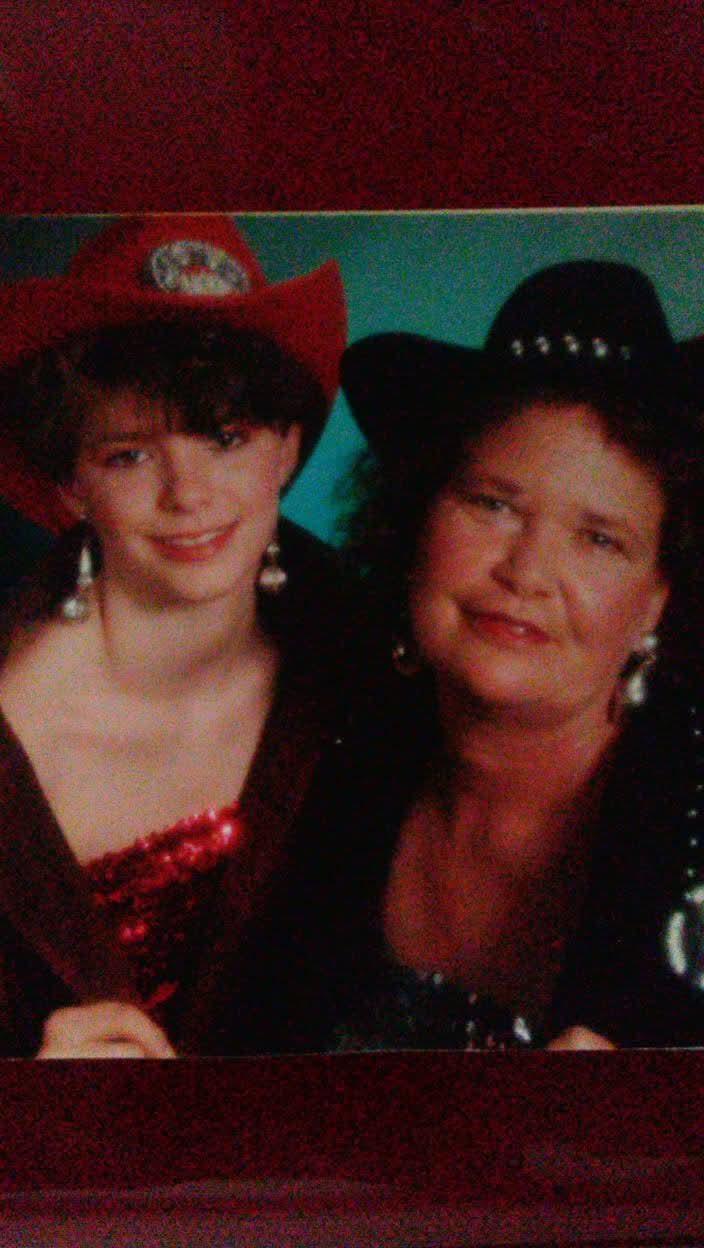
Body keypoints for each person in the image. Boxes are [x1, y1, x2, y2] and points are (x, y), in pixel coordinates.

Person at [323, 259, 704, 1051]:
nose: (526, 573)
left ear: (660, 597)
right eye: (492, 504)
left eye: (600, 539)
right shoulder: (325, 755)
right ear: (416, 523)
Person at [0, 213, 352, 1057]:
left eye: (226, 438)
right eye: (129, 455)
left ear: (286, 451)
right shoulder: (14, 714)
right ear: (72, 487)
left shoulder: (367, 674)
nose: (187, 495)